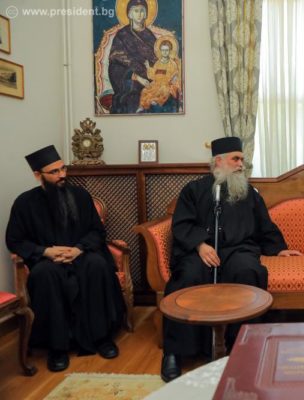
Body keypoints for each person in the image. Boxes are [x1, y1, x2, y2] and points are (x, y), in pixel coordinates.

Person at [161, 137, 301, 382]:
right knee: (187, 277)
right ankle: (175, 352)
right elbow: (181, 224)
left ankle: (242, 347)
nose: (240, 165)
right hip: (201, 251)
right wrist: (200, 245)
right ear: (218, 161)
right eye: (236, 159)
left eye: (241, 160)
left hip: (238, 249)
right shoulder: (193, 190)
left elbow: (264, 225)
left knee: (248, 272)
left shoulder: (248, 193)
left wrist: (278, 249)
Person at [6, 145, 124, 372]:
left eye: (63, 169)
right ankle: (57, 348)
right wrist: (45, 251)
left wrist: (78, 249)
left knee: (97, 265)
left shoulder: (80, 196)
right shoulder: (24, 203)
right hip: (48, 260)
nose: (62, 175)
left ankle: (102, 338)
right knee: (45, 274)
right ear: (38, 175)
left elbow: (97, 231)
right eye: (54, 171)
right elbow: (15, 241)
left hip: (82, 254)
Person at [108, 0, 157, 114]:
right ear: (129, 14)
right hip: (130, 81)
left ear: (146, 14)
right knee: (134, 97)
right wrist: (138, 77)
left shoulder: (149, 35)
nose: (139, 14)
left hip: (150, 78)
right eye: (136, 11)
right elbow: (116, 61)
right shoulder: (122, 35)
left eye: (142, 11)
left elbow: (156, 59)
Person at [138, 38, 181, 113]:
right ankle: (142, 106)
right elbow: (153, 76)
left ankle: (155, 100)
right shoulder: (157, 63)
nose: (165, 52)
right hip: (156, 84)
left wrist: (173, 80)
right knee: (145, 90)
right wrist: (148, 67)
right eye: (163, 50)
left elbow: (175, 76)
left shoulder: (172, 64)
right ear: (160, 51)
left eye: (166, 50)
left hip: (166, 85)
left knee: (163, 90)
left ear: (170, 51)